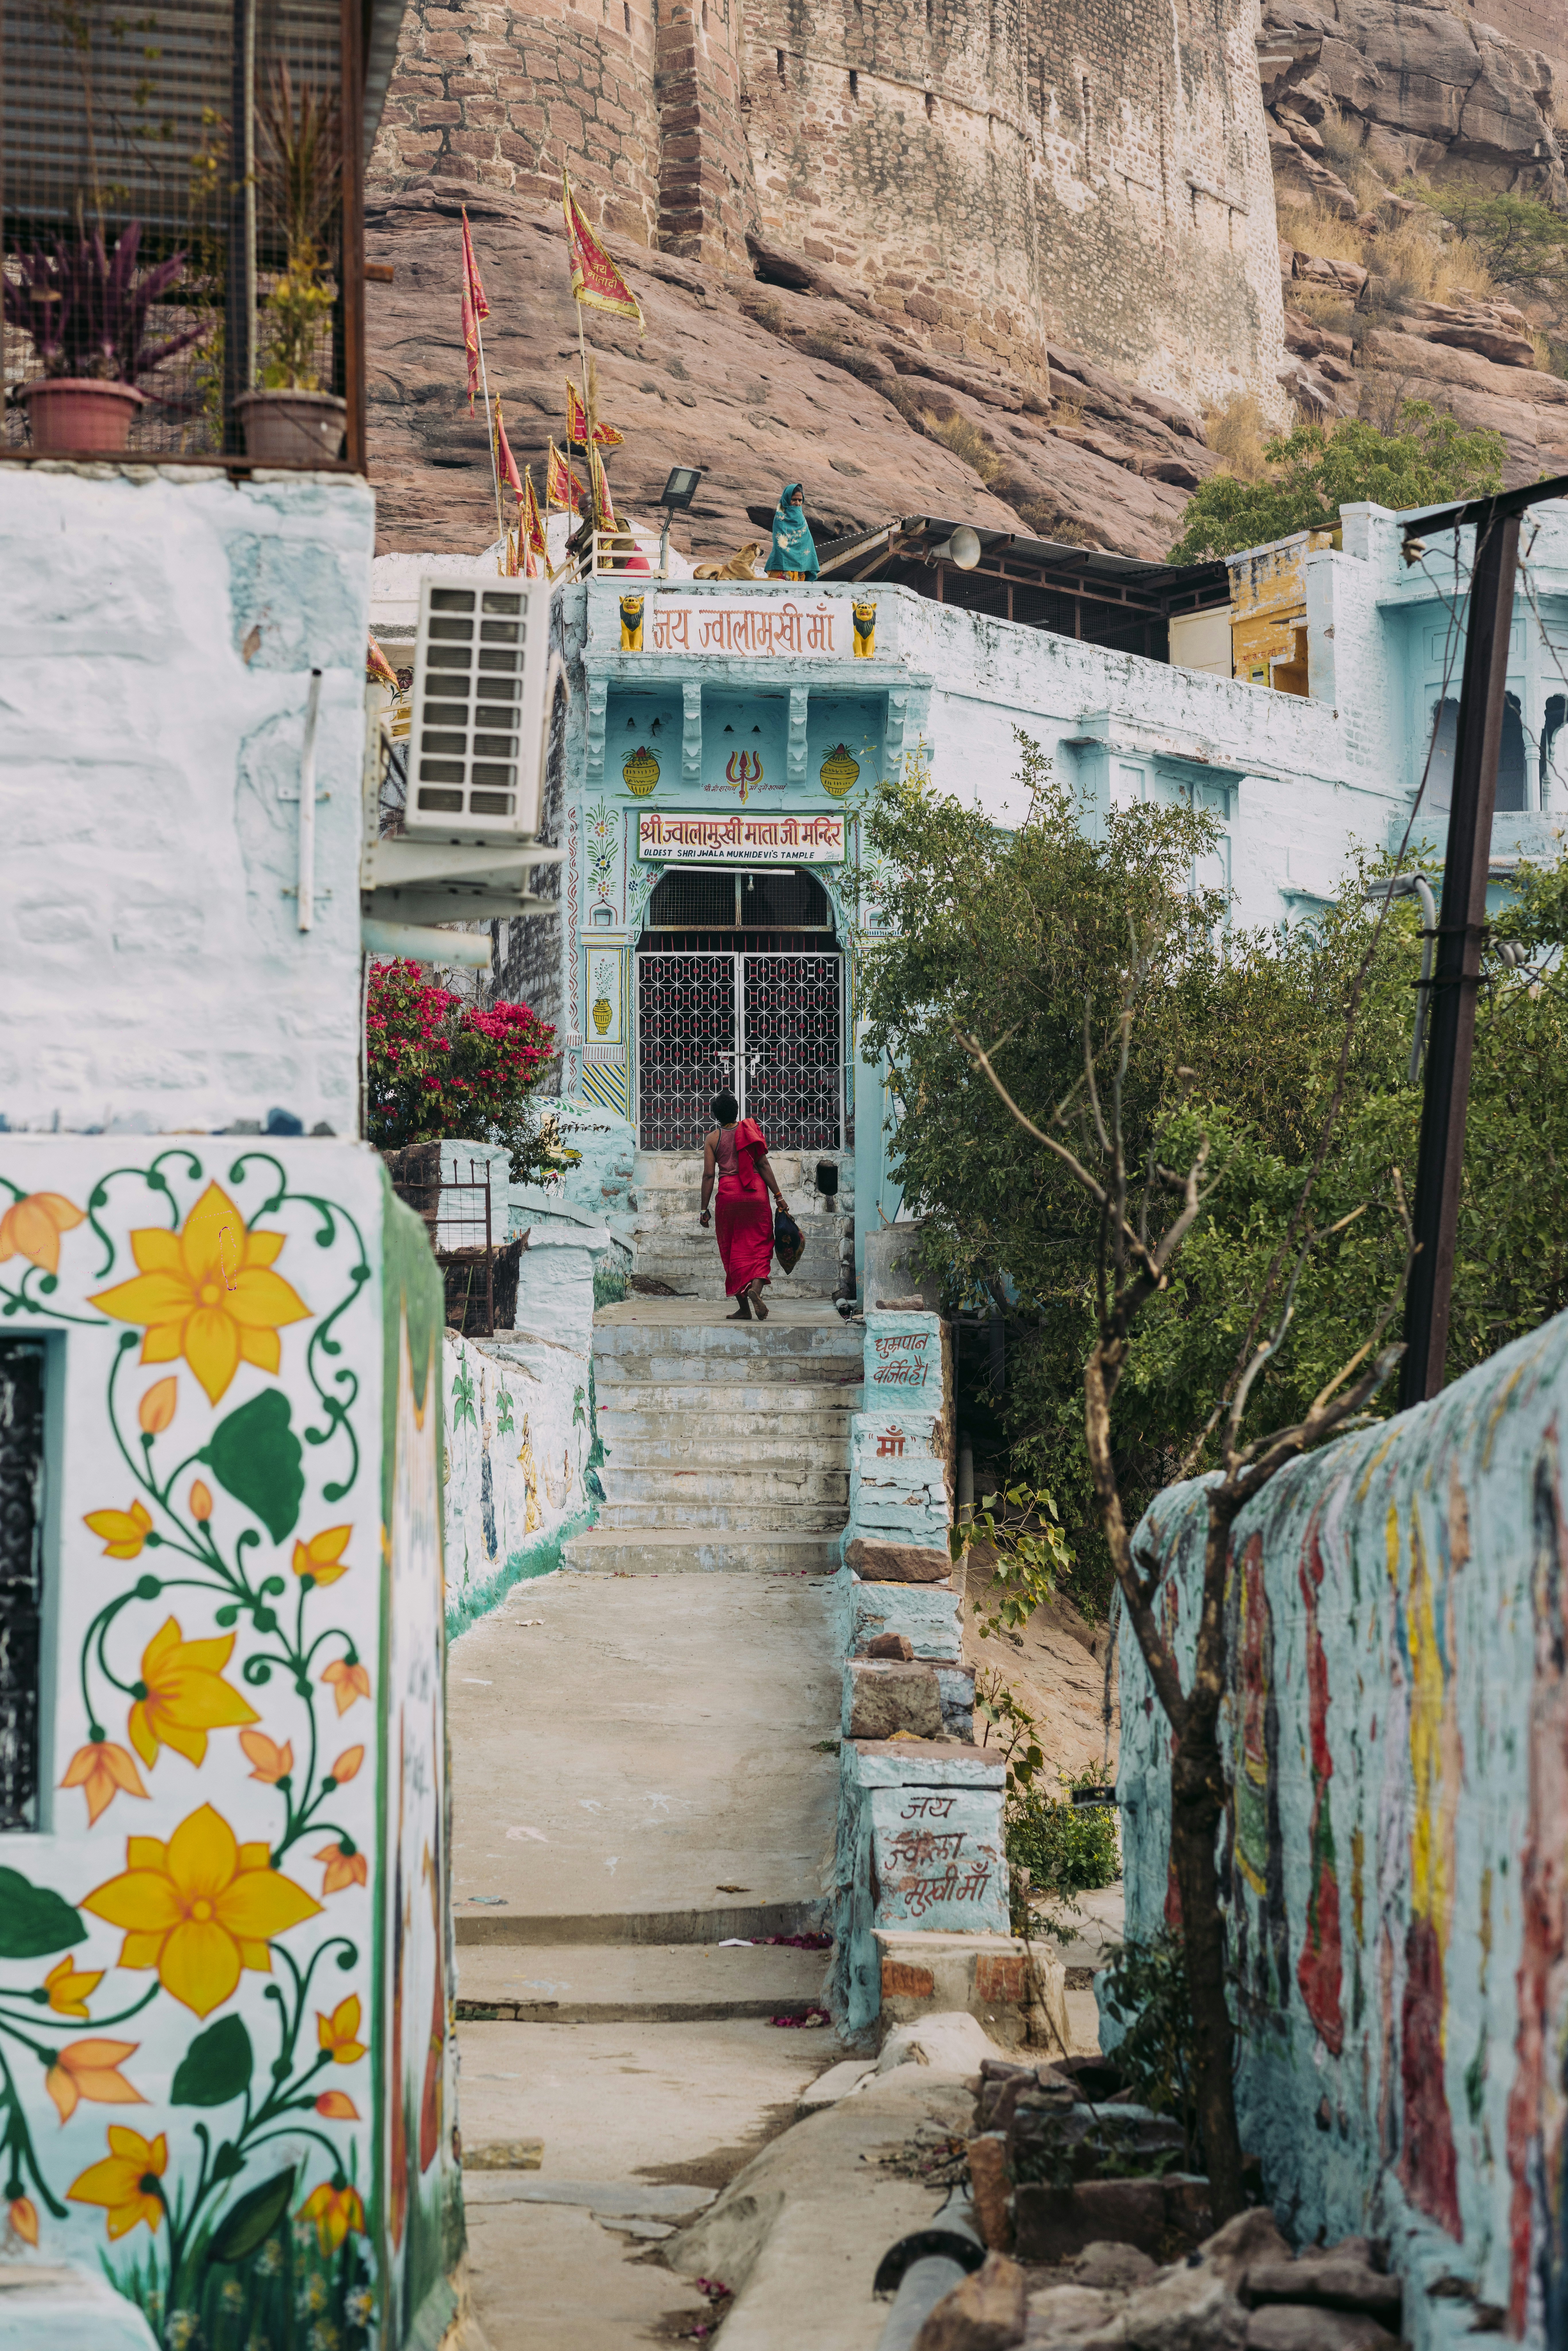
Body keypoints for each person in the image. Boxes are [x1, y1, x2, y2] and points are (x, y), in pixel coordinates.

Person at [698, 1092, 789, 1320]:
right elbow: (763, 1165)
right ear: (737, 1111)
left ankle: (744, 1308)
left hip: (729, 1198)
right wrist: (778, 1196)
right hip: (755, 1195)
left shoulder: (712, 1139)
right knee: (762, 1246)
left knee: (732, 1251)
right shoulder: (750, 1131)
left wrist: (704, 1209)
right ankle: (755, 1291)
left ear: (716, 1116)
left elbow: (709, 1176)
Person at [766, 481, 820, 581]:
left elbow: (807, 543)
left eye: (800, 500)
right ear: (787, 499)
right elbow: (780, 544)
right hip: (782, 567)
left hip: (801, 568)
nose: (798, 503)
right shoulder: (780, 518)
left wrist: (804, 563)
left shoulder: (802, 520)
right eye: (794, 500)